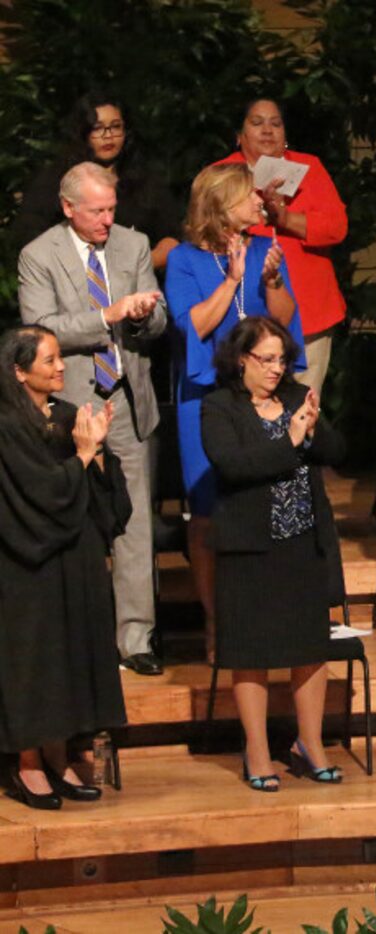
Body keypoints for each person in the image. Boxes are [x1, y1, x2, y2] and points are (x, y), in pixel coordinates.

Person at [17, 162, 169, 676]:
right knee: (76, 521)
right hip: (70, 404)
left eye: (111, 208)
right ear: (68, 208)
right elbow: (41, 329)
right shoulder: (39, 255)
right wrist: (108, 315)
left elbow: (157, 320)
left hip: (125, 398)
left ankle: (136, 638)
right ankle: (75, 639)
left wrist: (146, 313)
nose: (108, 220)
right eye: (98, 211)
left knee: (134, 521)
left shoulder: (133, 244)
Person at [201, 317, 347, 792]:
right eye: (266, 359)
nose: (276, 368)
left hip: (303, 541)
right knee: (252, 651)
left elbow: (336, 450)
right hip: (249, 546)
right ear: (242, 358)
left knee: (310, 648)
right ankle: (258, 751)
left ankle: (310, 743)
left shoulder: (294, 396)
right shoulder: (219, 407)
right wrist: (289, 441)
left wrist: (313, 424)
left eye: (282, 359)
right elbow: (234, 465)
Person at [165, 163, 304, 643]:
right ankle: (214, 620)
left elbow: (285, 322)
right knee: (206, 512)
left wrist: (271, 282)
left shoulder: (267, 247)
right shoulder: (184, 260)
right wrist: (232, 279)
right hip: (205, 398)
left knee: (265, 501)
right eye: (250, 197)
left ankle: (261, 616)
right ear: (223, 205)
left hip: (259, 397)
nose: (260, 204)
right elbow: (194, 326)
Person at [0, 326, 129, 810]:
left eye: (59, 358)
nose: (62, 367)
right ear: (18, 371)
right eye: (50, 360)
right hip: (26, 566)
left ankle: (59, 759)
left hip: (76, 561)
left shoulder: (71, 417)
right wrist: (81, 455)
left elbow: (105, 497)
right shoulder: (6, 426)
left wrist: (96, 452)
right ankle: (28, 765)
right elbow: (41, 493)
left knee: (70, 660)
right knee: (36, 665)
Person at [214, 98, 348, 392]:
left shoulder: (309, 167)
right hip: (245, 314)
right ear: (239, 134)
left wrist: (285, 217)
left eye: (276, 123)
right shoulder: (221, 174)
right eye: (257, 122)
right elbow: (205, 232)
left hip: (309, 312)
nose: (267, 130)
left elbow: (336, 228)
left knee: (302, 409)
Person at [11, 92, 181, 269]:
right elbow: (30, 239)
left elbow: (171, 239)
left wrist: (134, 269)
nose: (108, 136)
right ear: (82, 133)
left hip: (137, 283)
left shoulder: (147, 182)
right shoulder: (53, 182)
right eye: (98, 128)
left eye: (115, 127)